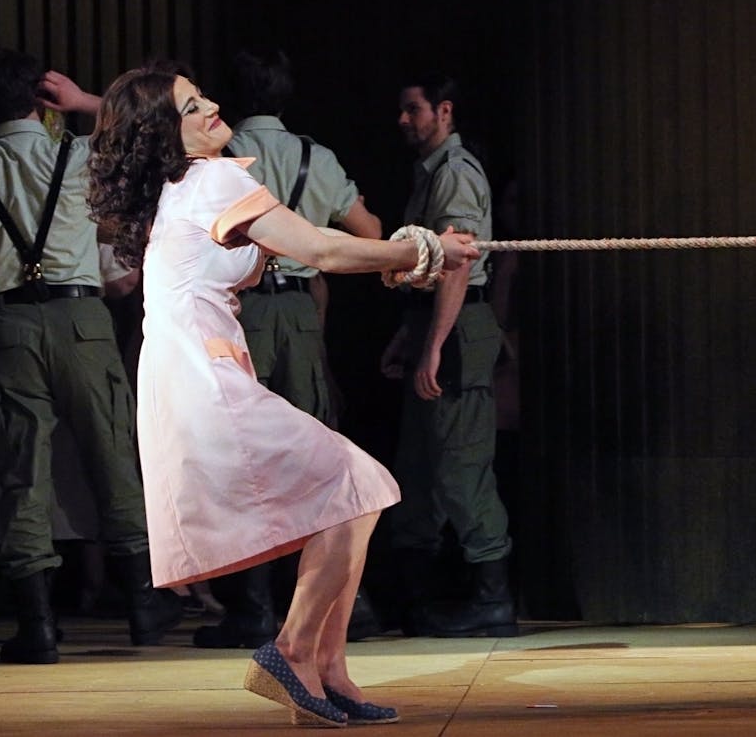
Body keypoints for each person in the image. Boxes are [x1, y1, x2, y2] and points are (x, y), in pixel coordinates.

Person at [86, 65, 476, 726]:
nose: (210, 105)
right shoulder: (210, 180)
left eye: (203, 94)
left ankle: (326, 671)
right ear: (167, 135)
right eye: (191, 106)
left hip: (192, 373)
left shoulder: (186, 185)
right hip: (203, 379)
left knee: (355, 491)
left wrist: (402, 257)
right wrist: (424, 248)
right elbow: (321, 248)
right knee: (360, 486)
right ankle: (294, 650)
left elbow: (317, 248)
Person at [0, 50, 180, 664]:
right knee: (113, 454)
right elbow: (160, 123)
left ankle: (36, 625)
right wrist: (89, 101)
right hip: (83, 320)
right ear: (42, 99)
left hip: (5, 325)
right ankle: (145, 604)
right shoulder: (82, 155)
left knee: (20, 472)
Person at [189, 47, 384, 650]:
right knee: (316, 455)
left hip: (239, 309)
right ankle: (344, 603)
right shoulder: (313, 156)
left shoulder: (217, 158)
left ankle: (251, 607)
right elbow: (369, 231)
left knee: (243, 457)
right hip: (299, 310)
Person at [380, 75, 515, 637]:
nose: (404, 120)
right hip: (434, 324)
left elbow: (457, 263)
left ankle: (494, 601)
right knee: (420, 468)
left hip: (458, 328)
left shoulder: (455, 173)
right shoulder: (431, 172)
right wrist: (411, 336)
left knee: (461, 469)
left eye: (414, 109)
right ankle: (417, 600)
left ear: (444, 111)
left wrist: (434, 345)